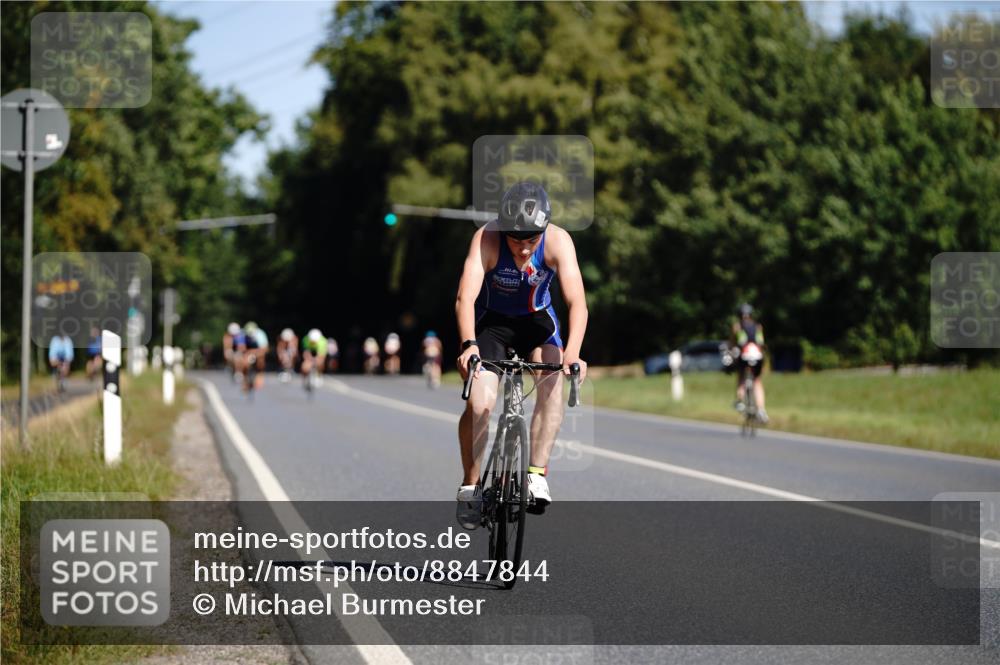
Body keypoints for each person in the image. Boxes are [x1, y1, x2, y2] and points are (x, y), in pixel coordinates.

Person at [454, 181, 588, 529]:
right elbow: (464, 298)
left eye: (532, 240)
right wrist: (469, 344)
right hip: (493, 325)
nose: (525, 249)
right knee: (480, 403)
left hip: (537, 323)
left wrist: (572, 354)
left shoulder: (558, 241)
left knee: (553, 379)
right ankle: (471, 485)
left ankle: (536, 473)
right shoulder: (486, 238)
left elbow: (577, 304)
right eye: (516, 240)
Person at [730, 303, 768, 423]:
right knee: (757, 381)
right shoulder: (758, 326)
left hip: (744, 355)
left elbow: (733, 343)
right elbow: (761, 343)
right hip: (757, 355)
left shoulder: (737, 326)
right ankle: (761, 410)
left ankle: (740, 400)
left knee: (741, 377)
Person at [236, 321, 268, 391]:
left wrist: (253, 352)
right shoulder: (242, 334)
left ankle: (260, 376)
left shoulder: (260, 334)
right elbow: (241, 348)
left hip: (257, 351)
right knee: (243, 363)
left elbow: (264, 349)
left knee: (261, 360)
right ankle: (244, 379)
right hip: (247, 352)